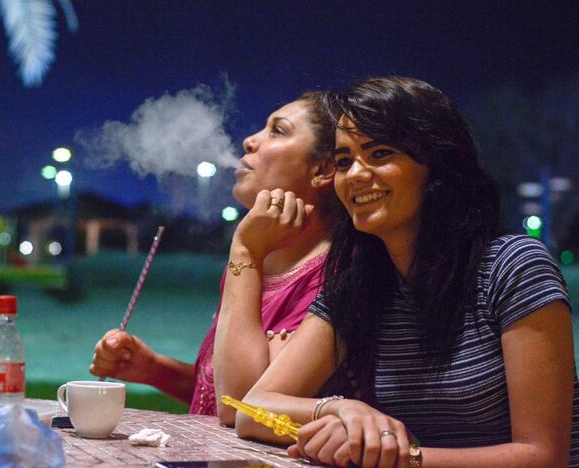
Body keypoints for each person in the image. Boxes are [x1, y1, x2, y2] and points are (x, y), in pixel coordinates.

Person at [236, 76, 578, 467]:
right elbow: (252, 409)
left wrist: (398, 459)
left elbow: (543, 456)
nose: (357, 175)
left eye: (380, 153)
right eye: (345, 161)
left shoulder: (513, 267)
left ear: (435, 166)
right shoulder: (361, 288)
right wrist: (340, 410)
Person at [89, 91, 343, 424]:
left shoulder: (335, 277)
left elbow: (240, 408)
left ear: (323, 169)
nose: (250, 141)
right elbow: (222, 387)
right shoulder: (252, 268)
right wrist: (154, 369)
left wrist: (245, 251)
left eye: (277, 131)